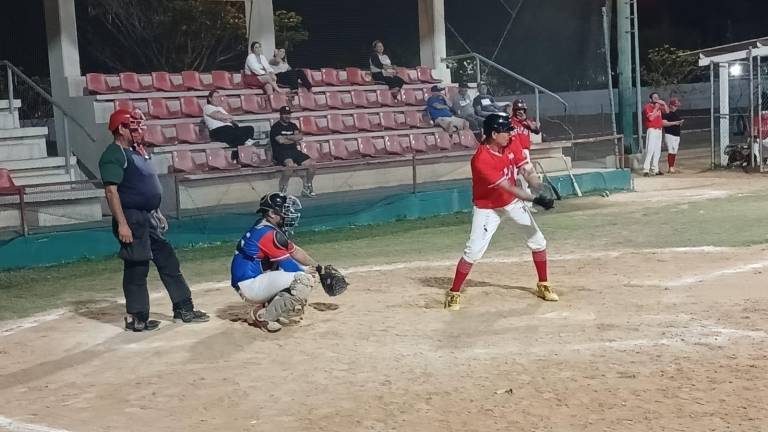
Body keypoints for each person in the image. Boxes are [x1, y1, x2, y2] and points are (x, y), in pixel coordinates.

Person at [98, 108, 209, 331]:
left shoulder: (138, 152)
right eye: (134, 127)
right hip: (131, 217)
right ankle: (137, 318)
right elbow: (111, 192)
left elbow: (147, 186)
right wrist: (122, 224)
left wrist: (156, 213)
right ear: (121, 128)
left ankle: (183, 308)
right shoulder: (114, 154)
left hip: (147, 217)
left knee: (168, 261)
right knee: (137, 267)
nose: (139, 131)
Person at [444, 113, 558, 311]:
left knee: (538, 241)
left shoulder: (511, 143)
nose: (510, 134)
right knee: (473, 251)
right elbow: (508, 187)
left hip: (512, 203)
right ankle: (454, 293)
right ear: (494, 134)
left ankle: (543, 285)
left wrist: (538, 185)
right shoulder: (481, 160)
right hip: (488, 207)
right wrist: (535, 198)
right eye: (505, 131)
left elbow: (525, 169)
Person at [230, 192, 319, 332]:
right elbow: (289, 266)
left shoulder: (266, 227)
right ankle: (265, 317)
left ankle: (265, 308)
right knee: (303, 280)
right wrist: (307, 271)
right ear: (271, 213)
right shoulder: (267, 234)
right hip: (250, 285)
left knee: (302, 274)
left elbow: (295, 251)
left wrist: (318, 267)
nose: (288, 213)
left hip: (251, 281)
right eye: (284, 210)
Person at [270, 106, 317, 197]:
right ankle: (282, 190)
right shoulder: (275, 127)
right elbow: (281, 141)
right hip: (280, 152)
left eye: (289, 114)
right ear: (281, 115)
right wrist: (293, 138)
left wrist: (287, 137)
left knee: (312, 164)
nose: (287, 116)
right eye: (285, 114)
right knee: (290, 165)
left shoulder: (293, 125)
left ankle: (307, 186)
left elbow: (299, 137)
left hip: (293, 151)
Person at [507, 99, 542, 211]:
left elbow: (537, 130)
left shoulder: (527, 122)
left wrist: (525, 120)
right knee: (511, 178)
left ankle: (528, 205)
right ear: (514, 110)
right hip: (512, 153)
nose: (520, 111)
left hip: (524, 152)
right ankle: (511, 203)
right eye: (517, 109)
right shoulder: (509, 121)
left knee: (524, 179)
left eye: (522, 109)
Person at [642, 92, 668, 176]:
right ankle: (646, 170)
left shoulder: (659, 107)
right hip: (652, 129)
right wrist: (656, 109)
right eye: (654, 97)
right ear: (650, 99)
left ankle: (655, 169)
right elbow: (650, 118)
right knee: (650, 150)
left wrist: (663, 103)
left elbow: (667, 111)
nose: (656, 98)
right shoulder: (647, 107)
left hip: (659, 130)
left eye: (657, 97)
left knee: (657, 151)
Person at [662, 97, 684, 174]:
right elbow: (664, 123)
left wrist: (679, 123)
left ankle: (672, 167)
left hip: (676, 135)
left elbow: (677, 123)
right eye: (675, 105)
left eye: (677, 106)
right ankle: (670, 167)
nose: (676, 107)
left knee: (674, 151)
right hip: (670, 134)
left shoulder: (676, 114)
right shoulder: (666, 114)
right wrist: (675, 123)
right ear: (671, 105)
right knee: (671, 150)